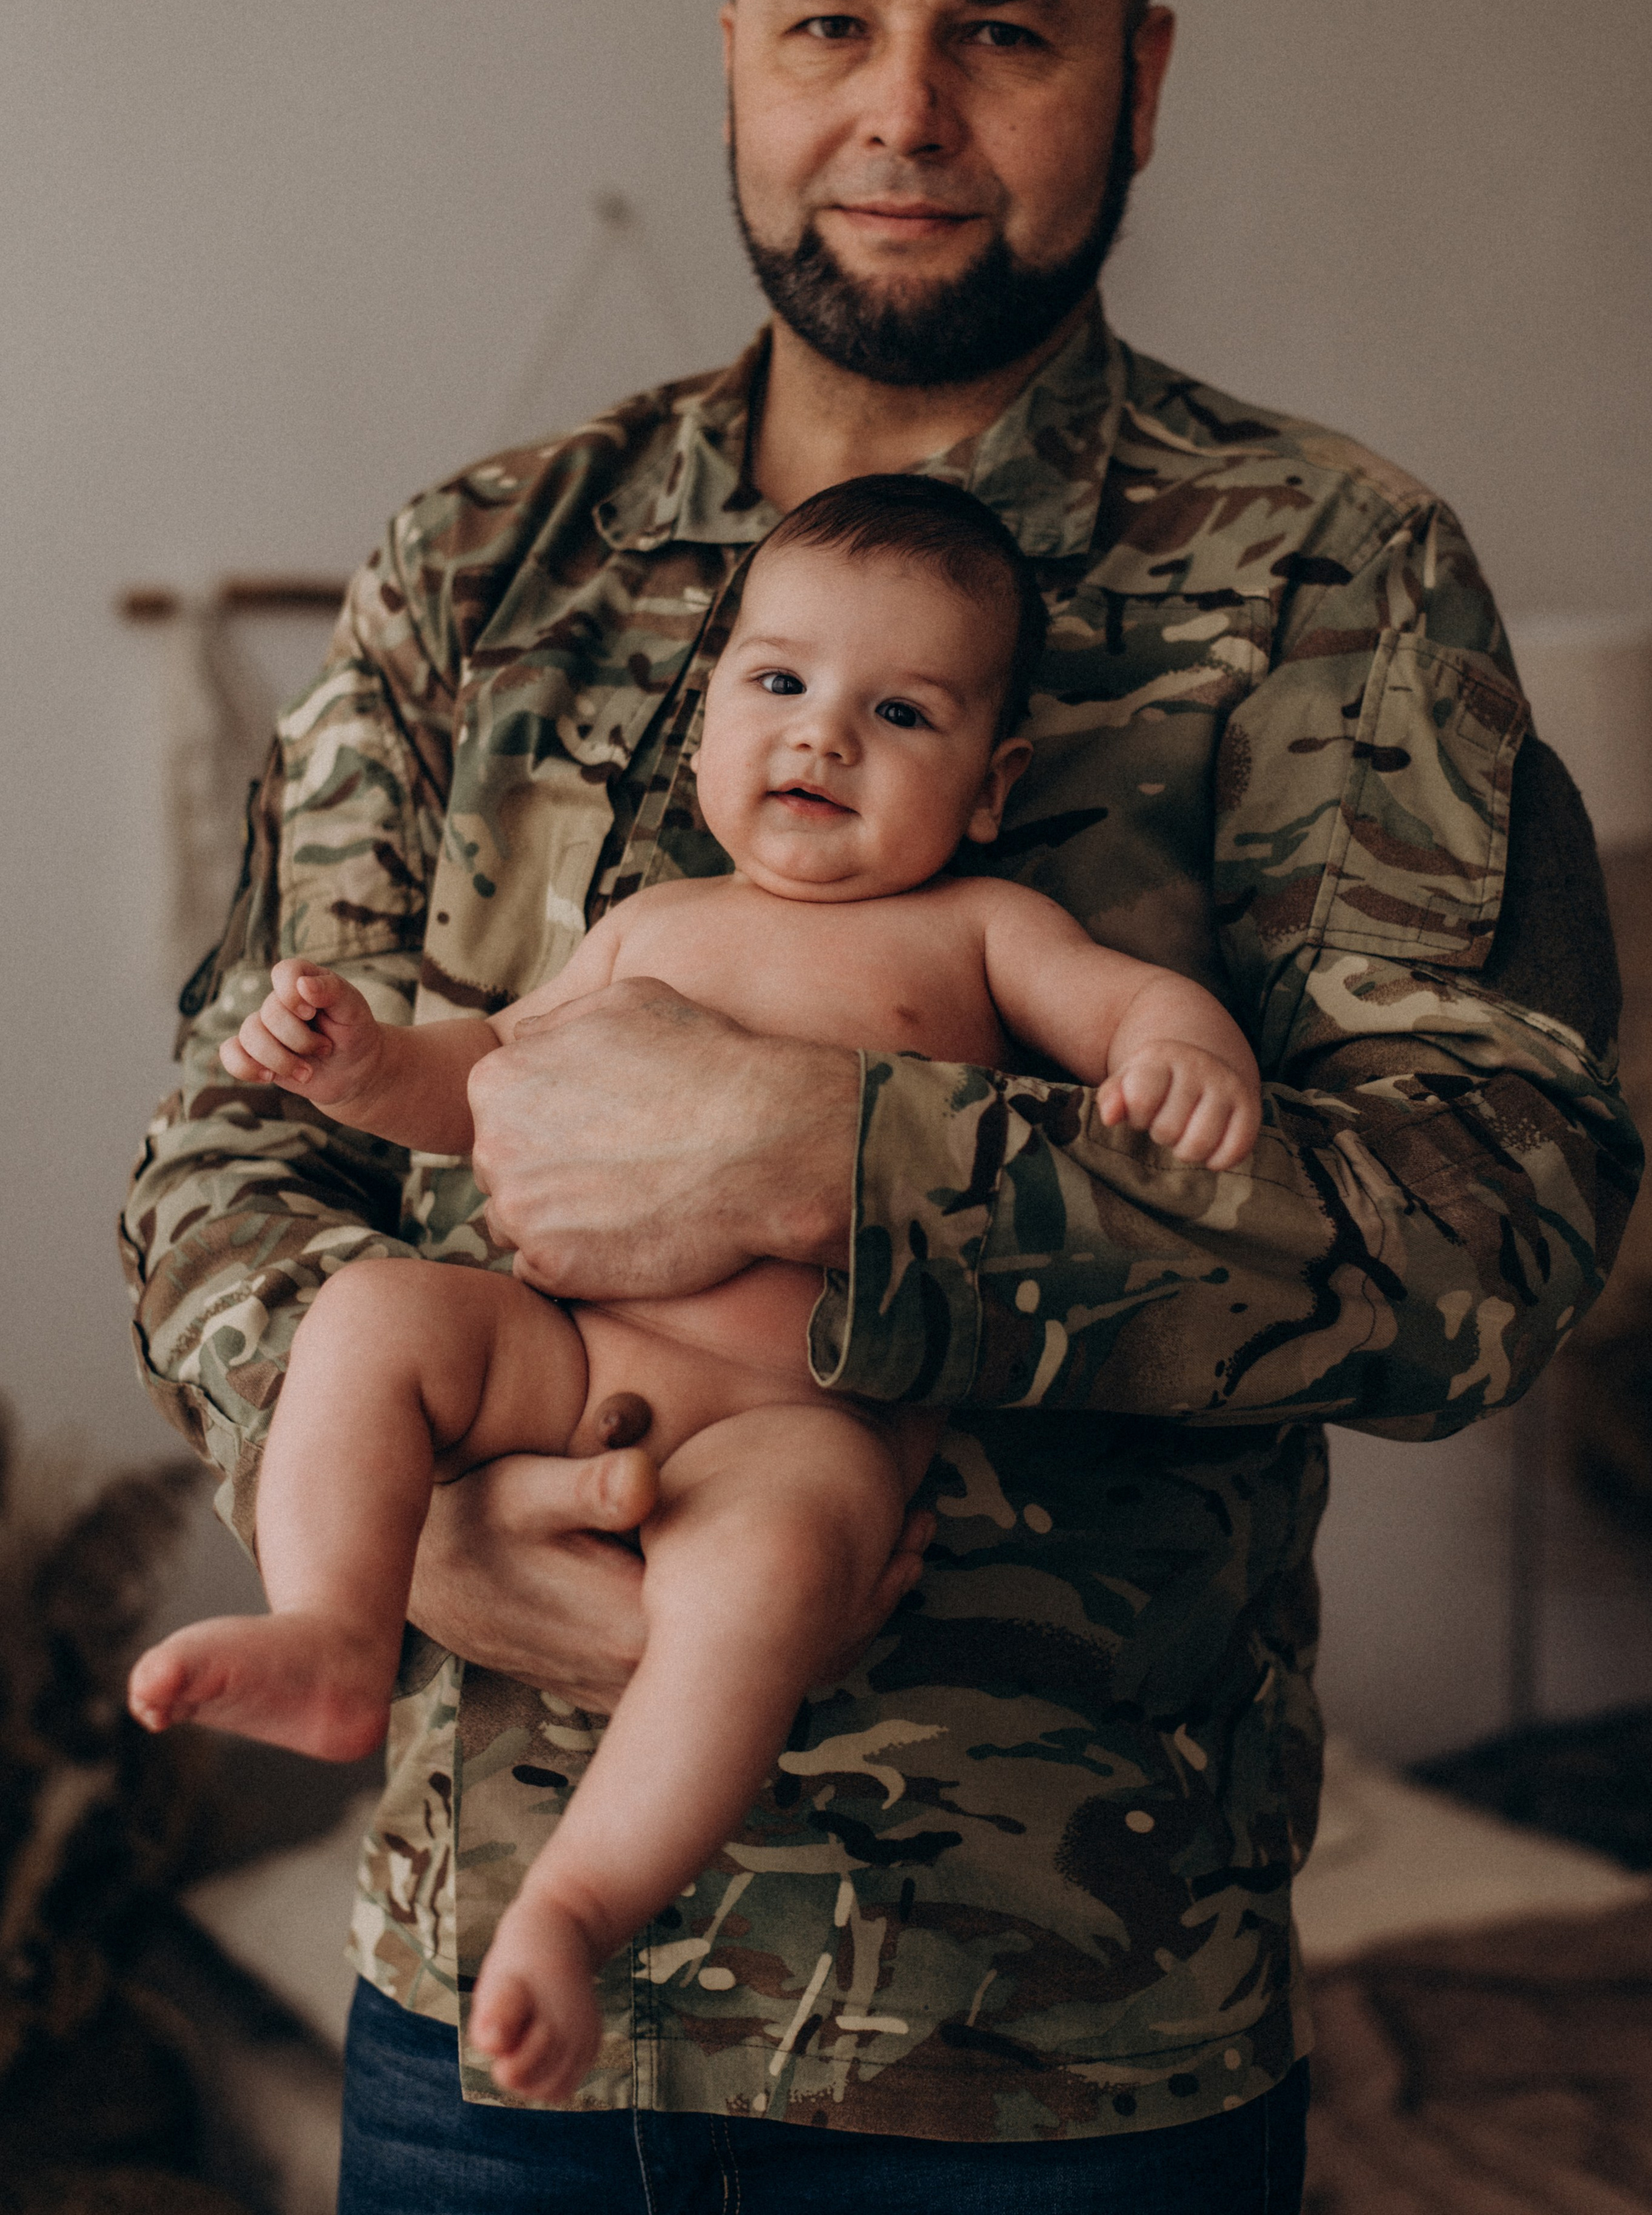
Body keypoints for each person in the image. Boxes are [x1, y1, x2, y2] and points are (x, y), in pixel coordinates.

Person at [121, 0, 1637, 2210]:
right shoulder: (484, 560)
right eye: (830, 23)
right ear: (733, 50)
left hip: (1054, 2035)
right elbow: (227, 1148)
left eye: (1005, 33)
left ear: (1140, 81)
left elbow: (1492, 1231)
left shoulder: (1336, 581)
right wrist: (387, 1528)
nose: (903, 111)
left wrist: (855, 1165)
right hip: (487, 1998)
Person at [128, 477, 1262, 2106]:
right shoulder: (645, 922)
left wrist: (1178, 1054)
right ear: (713, 704)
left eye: (901, 710)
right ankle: (331, 1626)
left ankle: (576, 1912)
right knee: (373, 1311)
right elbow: (484, 1085)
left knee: (766, 1577)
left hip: (795, 1417)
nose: (823, 738)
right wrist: (363, 1060)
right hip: (570, 1356)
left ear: (992, 780)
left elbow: (1134, 1000)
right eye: (778, 683)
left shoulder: (982, 929)